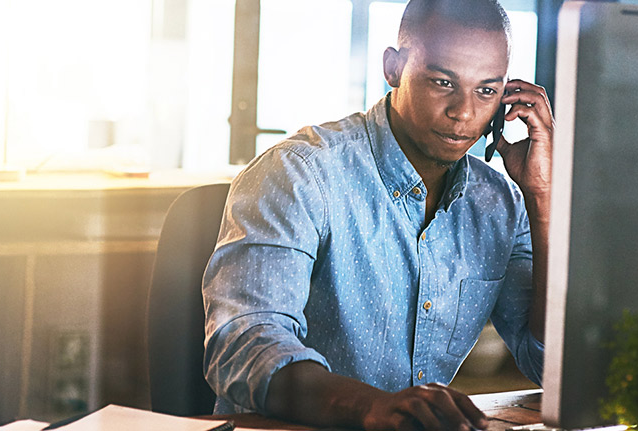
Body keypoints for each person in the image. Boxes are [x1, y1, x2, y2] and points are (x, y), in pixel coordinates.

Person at [201, 1, 554, 429]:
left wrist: (543, 197)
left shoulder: (500, 202)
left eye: (486, 90)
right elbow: (243, 346)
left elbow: (547, 365)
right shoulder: (301, 173)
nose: (463, 113)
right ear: (393, 68)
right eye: (443, 82)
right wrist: (371, 408)